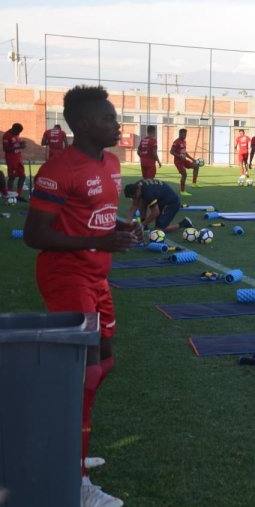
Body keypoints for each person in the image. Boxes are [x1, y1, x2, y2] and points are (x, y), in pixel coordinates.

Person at [23, 84, 140, 507]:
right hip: (66, 276)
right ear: (85, 124)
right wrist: (99, 241)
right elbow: (35, 235)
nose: (118, 125)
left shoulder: (110, 163)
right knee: (81, 372)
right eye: (110, 118)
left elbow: (97, 221)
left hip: (97, 276)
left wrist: (122, 230)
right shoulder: (60, 169)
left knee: (103, 364)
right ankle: (72, 478)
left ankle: (72, 446)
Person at [123, 179, 193, 235]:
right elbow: (134, 205)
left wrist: (142, 225)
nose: (134, 198)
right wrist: (128, 221)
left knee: (158, 231)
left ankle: (184, 223)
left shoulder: (148, 193)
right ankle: (145, 227)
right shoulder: (138, 186)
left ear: (138, 190)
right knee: (141, 200)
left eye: (134, 196)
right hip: (161, 199)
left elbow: (155, 212)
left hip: (171, 203)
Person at [169, 128, 200, 197]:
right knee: (184, 174)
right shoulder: (176, 142)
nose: (185, 136)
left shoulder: (184, 142)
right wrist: (179, 156)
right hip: (178, 161)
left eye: (185, 134)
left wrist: (192, 159)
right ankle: (182, 191)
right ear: (180, 134)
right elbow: (171, 151)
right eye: (183, 134)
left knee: (196, 166)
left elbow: (185, 152)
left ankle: (194, 183)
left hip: (184, 160)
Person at [4, 122, 27, 201]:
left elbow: (16, 144)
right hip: (11, 159)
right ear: (13, 129)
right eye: (18, 132)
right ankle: (9, 195)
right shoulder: (6, 135)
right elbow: (6, 149)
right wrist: (20, 146)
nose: (18, 133)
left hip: (18, 158)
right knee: (12, 177)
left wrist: (22, 143)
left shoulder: (16, 134)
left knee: (22, 176)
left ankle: (18, 194)